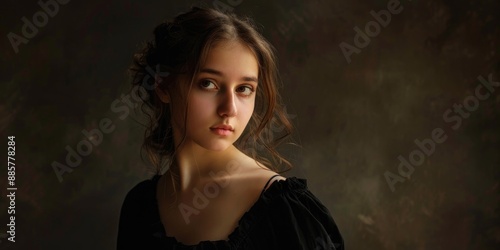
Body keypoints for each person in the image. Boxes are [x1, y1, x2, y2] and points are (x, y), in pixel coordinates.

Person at [117, 6, 344, 250]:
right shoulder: (139, 206)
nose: (230, 108)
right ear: (163, 86)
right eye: (209, 84)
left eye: (244, 89)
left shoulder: (283, 211)